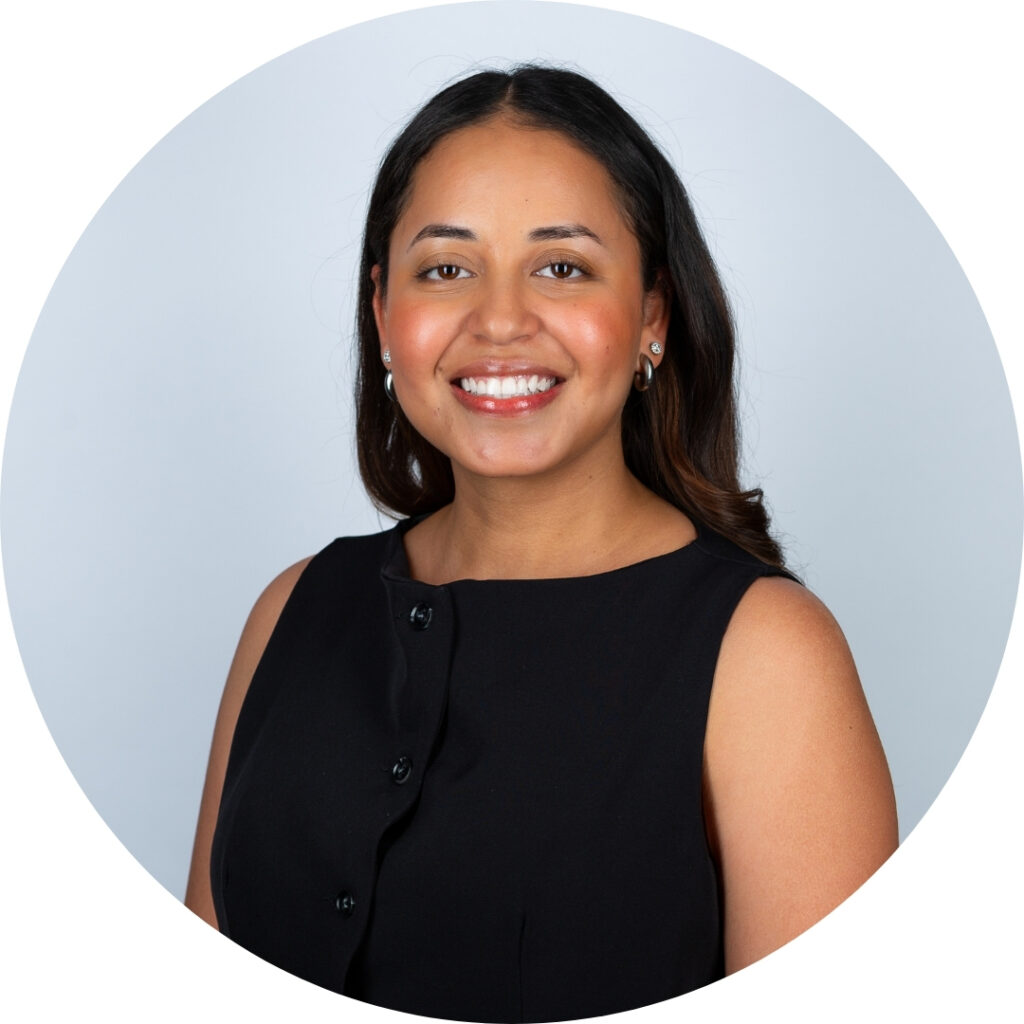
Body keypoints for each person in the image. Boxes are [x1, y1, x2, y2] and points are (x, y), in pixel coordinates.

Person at [185, 65, 897, 1022]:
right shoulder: (292, 609)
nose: (500, 321)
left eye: (562, 267)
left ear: (651, 315)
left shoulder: (765, 655)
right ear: (382, 313)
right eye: (446, 268)